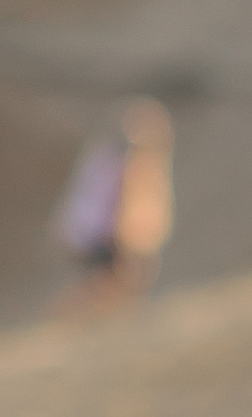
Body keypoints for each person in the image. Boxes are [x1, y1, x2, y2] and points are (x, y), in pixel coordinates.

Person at [52, 97, 174, 303]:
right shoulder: (130, 165)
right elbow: (128, 206)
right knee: (114, 284)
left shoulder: (105, 156)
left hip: (85, 232)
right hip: (102, 235)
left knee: (108, 285)